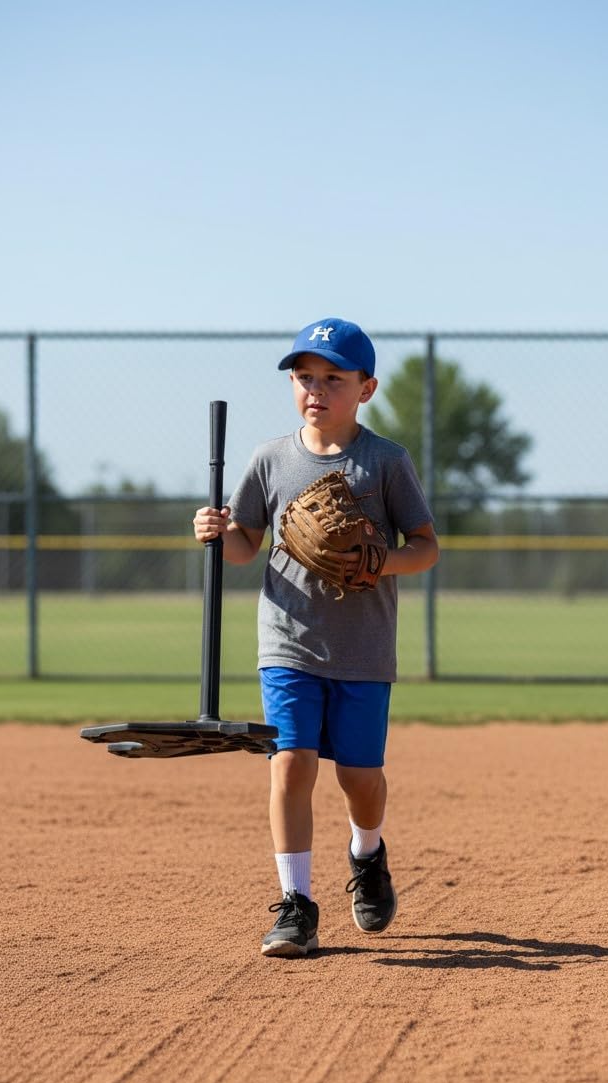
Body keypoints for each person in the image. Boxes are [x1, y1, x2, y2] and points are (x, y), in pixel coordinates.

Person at [193, 318, 439, 957]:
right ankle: (297, 904)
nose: (316, 389)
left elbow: (427, 548)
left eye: (333, 377)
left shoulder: (385, 461)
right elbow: (248, 546)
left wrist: (379, 560)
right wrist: (221, 531)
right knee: (291, 764)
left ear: (367, 389)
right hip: (287, 641)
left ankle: (367, 851)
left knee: (360, 777)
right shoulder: (271, 458)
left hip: (363, 646)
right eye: (305, 377)